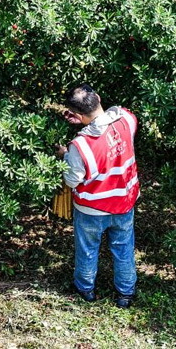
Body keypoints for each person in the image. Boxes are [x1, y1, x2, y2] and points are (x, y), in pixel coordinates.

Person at [53, 84, 139, 308]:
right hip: (124, 203)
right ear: (98, 98)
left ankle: (86, 289)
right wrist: (83, 121)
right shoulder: (126, 120)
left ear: (78, 115)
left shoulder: (79, 146)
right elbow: (114, 115)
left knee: (88, 250)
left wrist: (65, 156)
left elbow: (72, 180)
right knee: (123, 249)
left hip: (92, 209)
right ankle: (125, 294)